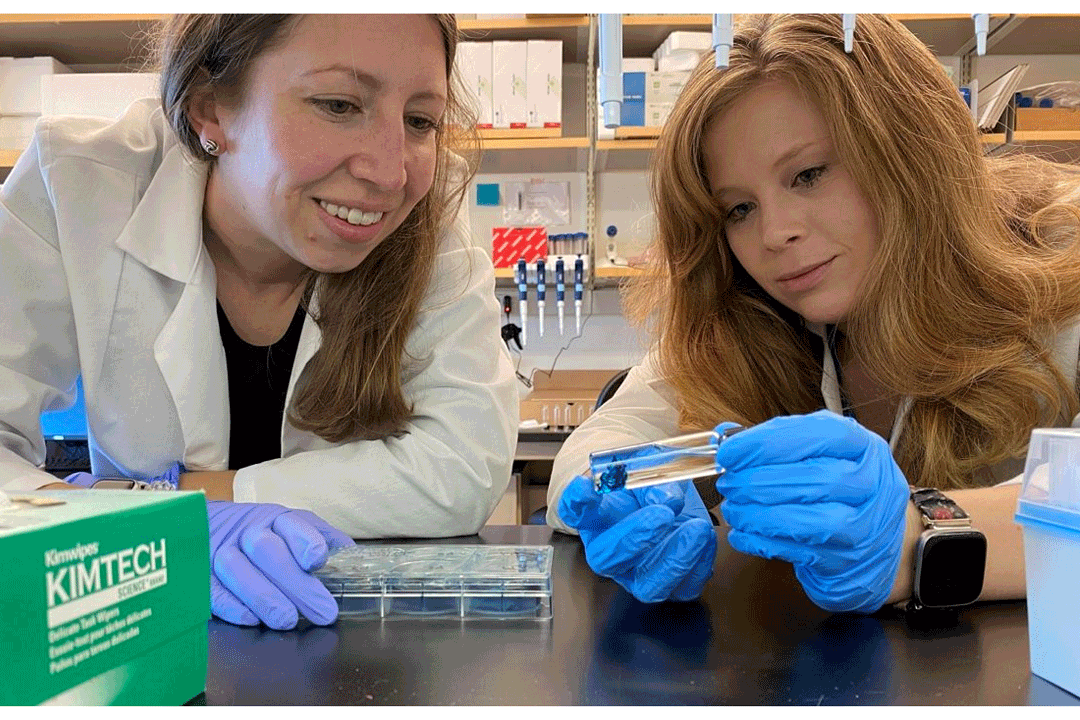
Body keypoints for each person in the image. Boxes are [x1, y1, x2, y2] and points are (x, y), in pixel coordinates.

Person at [547, 14, 1080, 614]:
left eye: (809, 174)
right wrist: (615, 496)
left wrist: (914, 538)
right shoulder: (749, 318)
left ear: (912, 149)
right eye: (739, 209)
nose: (774, 234)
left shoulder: (1064, 265)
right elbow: (603, 442)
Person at [0, 14, 518, 630]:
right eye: (338, 104)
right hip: (139, 623)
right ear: (210, 110)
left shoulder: (428, 219)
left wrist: (179, 502)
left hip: (345, 632)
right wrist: (175, 518)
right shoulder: (80, 184)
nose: (391, 173)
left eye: (420, 121)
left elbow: (462, 469)